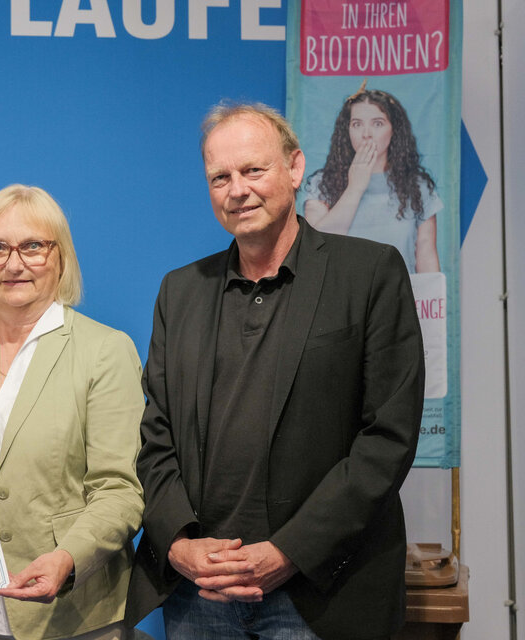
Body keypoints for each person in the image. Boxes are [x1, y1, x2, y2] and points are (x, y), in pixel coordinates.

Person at [124, 104, 424, 639]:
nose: (237, 190)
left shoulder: (370, 273)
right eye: (221, 177)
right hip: (200, 594)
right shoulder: (181, 290)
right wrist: (179, 545)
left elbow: (387, 438)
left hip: (319, 594)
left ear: (294, 167)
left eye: (253, 170)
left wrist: (290, 551)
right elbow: (157, 435)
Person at [0, 184, 144, 640]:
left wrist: (68, 558)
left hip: (72, 617)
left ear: (61, 257)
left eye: (33, 246)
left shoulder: (105, 351)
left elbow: (120, 490)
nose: (13, 263)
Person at [304, 84, 441, 273]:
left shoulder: (418, 186)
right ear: (347, 131)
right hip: (341, 298)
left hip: (397, 297)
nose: (366, 133)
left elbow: (426, 255)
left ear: (394, 130)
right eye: (357, 124)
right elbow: (317, 247)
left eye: (377, 123)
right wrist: (354, 188)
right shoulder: (322, 183)